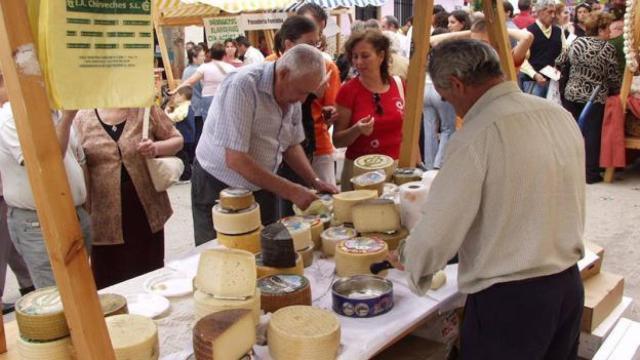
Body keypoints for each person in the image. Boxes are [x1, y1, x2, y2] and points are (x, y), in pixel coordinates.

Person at [391, 39, 586, 359]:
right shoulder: (557, 115)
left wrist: (410, 258)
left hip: (512, 303)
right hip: (567, 286)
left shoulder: (476, 135)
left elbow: (439, 229)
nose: (448, 104)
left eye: (446, 97)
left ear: (456, 84)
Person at [191, 44, 338, 245]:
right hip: (217, 184)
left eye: (308, 93)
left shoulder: (293, 94)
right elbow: (236, 159)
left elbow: (291, 144)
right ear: (284, 73)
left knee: (263, 250)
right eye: (302, 91)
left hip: (260, 183)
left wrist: (314, 180)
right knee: (220, 252)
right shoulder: (242, 86)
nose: (302, 100)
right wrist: (292, 190)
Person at [74, 107, 183, 289]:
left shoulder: (144, 109)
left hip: (145, 210)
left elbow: (177, 140)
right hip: (104, 217)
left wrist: (156, 148)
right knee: (109, 280)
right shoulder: (81, 118)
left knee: (150, 275)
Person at [0, 75, 91, 289]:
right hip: (38, 222)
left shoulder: (54, 111)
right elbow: (47, 164)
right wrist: (68, 118)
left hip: (75, 212)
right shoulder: (11, 118)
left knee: (81, 289)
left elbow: (79, 160)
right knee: (59, 294)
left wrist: (86, 208)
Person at [334, 30, 406, 191]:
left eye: (365, 56)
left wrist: (414, 161)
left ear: (381, 56)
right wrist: (357, 130)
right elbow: (337, 141)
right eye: (355, 56)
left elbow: (408, 130)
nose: (358, 62)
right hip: (360, 174)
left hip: (396, 169)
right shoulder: (348, 91)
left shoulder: (399, 84)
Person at [556, 11, 621, 184]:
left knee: (571, 133)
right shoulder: (607, 48)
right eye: (607, 29)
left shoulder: (576, 42)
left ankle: (569, 172)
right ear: (600, 30)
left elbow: (560, 61)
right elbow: (613, 76)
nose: (609, 33)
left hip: (571, 93)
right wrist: (615, 91)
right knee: (592, 136)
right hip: (594, 96)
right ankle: (590, 174)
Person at [295, 7, 343, 187]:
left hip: (318, 146)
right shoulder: (271, 63)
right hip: (282, 149)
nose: (316, 37)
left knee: (324, 204)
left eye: (319, 31)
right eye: (310, 28)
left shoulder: (327, 65)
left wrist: (330, 114)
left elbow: (330, 112)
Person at [171, 43, 237, 121]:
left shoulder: (204, 67)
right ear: (224, 55)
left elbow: (190, 81)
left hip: (208, 99)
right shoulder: (231, 68)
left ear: (211, 54)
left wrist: (175, 90)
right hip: (225, 98)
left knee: (208, 124)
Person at [520, 0, 566, 97]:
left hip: (554, 83)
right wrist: (534, 74)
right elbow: (521, 59)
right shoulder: (527, 32)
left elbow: (564, 53)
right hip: (533, 83)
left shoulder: (559, 31)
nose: (553, 16)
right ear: (539, 12)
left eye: (554, 12)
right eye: (549, 12)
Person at [166, 86, 195, 182]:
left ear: (183, 96)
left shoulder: (184, 106)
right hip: (188, 136)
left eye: (177, 96)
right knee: (184, 155)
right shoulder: (186, 106)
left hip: (185, 136)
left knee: (183, 156)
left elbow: (178, 116)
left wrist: (166, 115)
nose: (175, 98)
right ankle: (187, 173)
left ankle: (186, 175)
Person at [182, 45, 205, 148]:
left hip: (189, 106)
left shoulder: (186, 70)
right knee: (199, 135)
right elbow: (203, 89)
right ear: (194, 58)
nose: (204, 58)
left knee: (192, 133)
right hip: (199, 107)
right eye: (201, 56)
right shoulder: (199, 71)